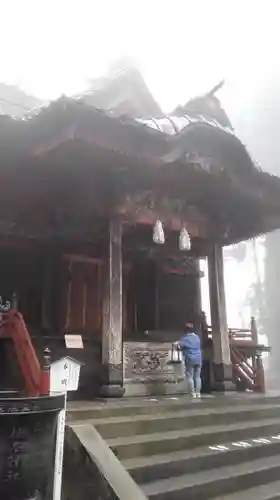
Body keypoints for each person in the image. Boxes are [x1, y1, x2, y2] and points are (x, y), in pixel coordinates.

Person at [177, 322, 202, 399]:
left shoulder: (184, 339)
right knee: (198, 377)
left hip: (190, 359)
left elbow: (179, 346)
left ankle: (192, 393)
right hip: (198, 358)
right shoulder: (197, 337)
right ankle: (198, 393)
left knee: (190, 376)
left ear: (186, 331)